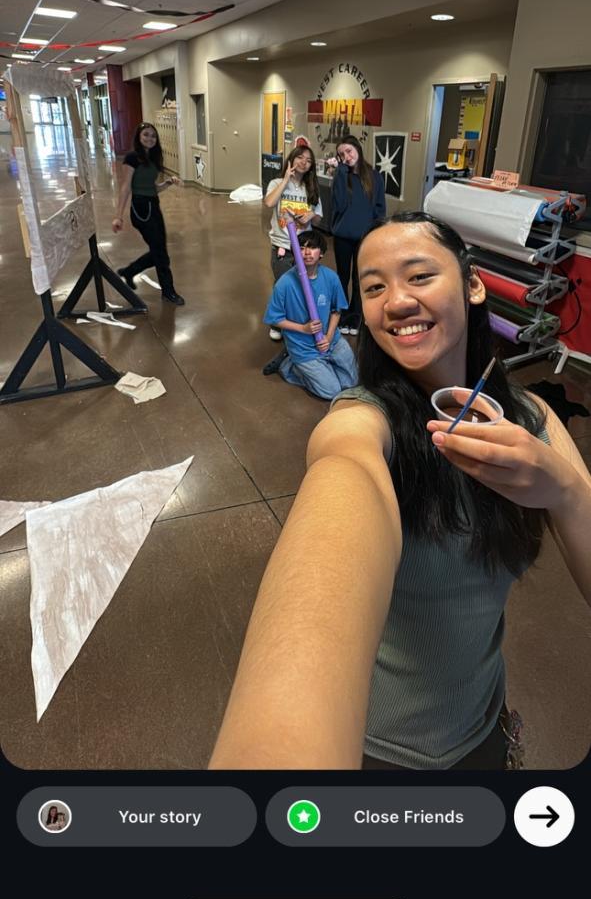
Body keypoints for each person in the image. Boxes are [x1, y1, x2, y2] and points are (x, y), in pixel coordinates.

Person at [209, 212, 591, 770]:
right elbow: (341, 483)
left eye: (419, 276)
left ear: (473, 284)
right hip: (380, 753)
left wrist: (565, 491)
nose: (396, 301)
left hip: (484, 727)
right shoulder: (362, 422)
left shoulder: (532, 417)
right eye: (374, 288)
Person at [262, 230, 358, 399]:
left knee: (351, 383)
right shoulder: (284, 284)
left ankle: (321, 367)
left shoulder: (331, 278)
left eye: (312, 248)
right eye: (301, 248)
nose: (306, 252)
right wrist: (303, 328)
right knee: (332, 391)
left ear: (321, 253)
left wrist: (328, 336)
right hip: (303, 347)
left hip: (330, 340)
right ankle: (289, 366)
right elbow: (274, 318)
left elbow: (336, 310)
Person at [112, 122, 185, 305]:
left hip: (154, 205)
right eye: (146, 134)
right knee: (160, 253)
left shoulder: (153, 158)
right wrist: (118, 216)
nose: (150, 138)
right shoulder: (132, 158)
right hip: (141, 209)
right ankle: (168, 291)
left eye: (153, 136)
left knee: (159, 251)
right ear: (139, 136)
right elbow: (126, 187)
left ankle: (129, 272)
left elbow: (152, 188)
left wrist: (167, 183)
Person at [328, 135, 385, 335]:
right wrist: (341, 172)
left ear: (358, 149)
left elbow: (379, 209)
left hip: (365, 238)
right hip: (343, 237)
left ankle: (356, 316)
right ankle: (342, 315)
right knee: (342, 277)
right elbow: (339, 204)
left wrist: (377, 234)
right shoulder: (341, 175)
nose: (347, 156)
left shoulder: (374, 177)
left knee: (360, 278)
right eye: (341, 154)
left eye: (349, 151)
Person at [264, 147, 323, 341]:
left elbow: (318, 219)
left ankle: (296, 322)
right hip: (282, 246)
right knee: (283, 286)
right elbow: (269, 203)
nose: (303, 162)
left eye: (308, 160)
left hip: (304, 247)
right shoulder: (277, 183)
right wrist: (285, 180)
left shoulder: (311, 188)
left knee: (303, 286)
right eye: (300, 157)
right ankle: (277, 323)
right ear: (292, 159)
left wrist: (311, 215)